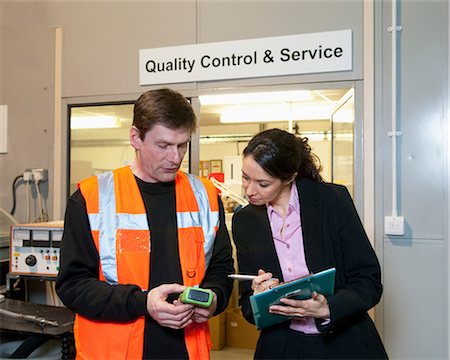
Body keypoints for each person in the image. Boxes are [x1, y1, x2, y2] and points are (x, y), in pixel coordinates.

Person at [56, 88, 234, 360]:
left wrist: (214, 299)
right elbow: (73, 286)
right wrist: (143, 303)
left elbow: (221, 268)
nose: (175, 158)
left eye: (182, 145)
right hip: (113, 352)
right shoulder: (91, 198)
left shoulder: (205, 196)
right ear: (135, 138)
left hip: (187, 350)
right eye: (163, 146)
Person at [232, 128, 388, 359]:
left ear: (290, 177)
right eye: (246, 177)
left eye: (263, 183)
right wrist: (258, 298)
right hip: (282, 346)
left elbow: (368, 281)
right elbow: (247, 306)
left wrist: (328, 308)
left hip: (344, 343)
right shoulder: (245, 221)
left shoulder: (332, 201)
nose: (249, 191)